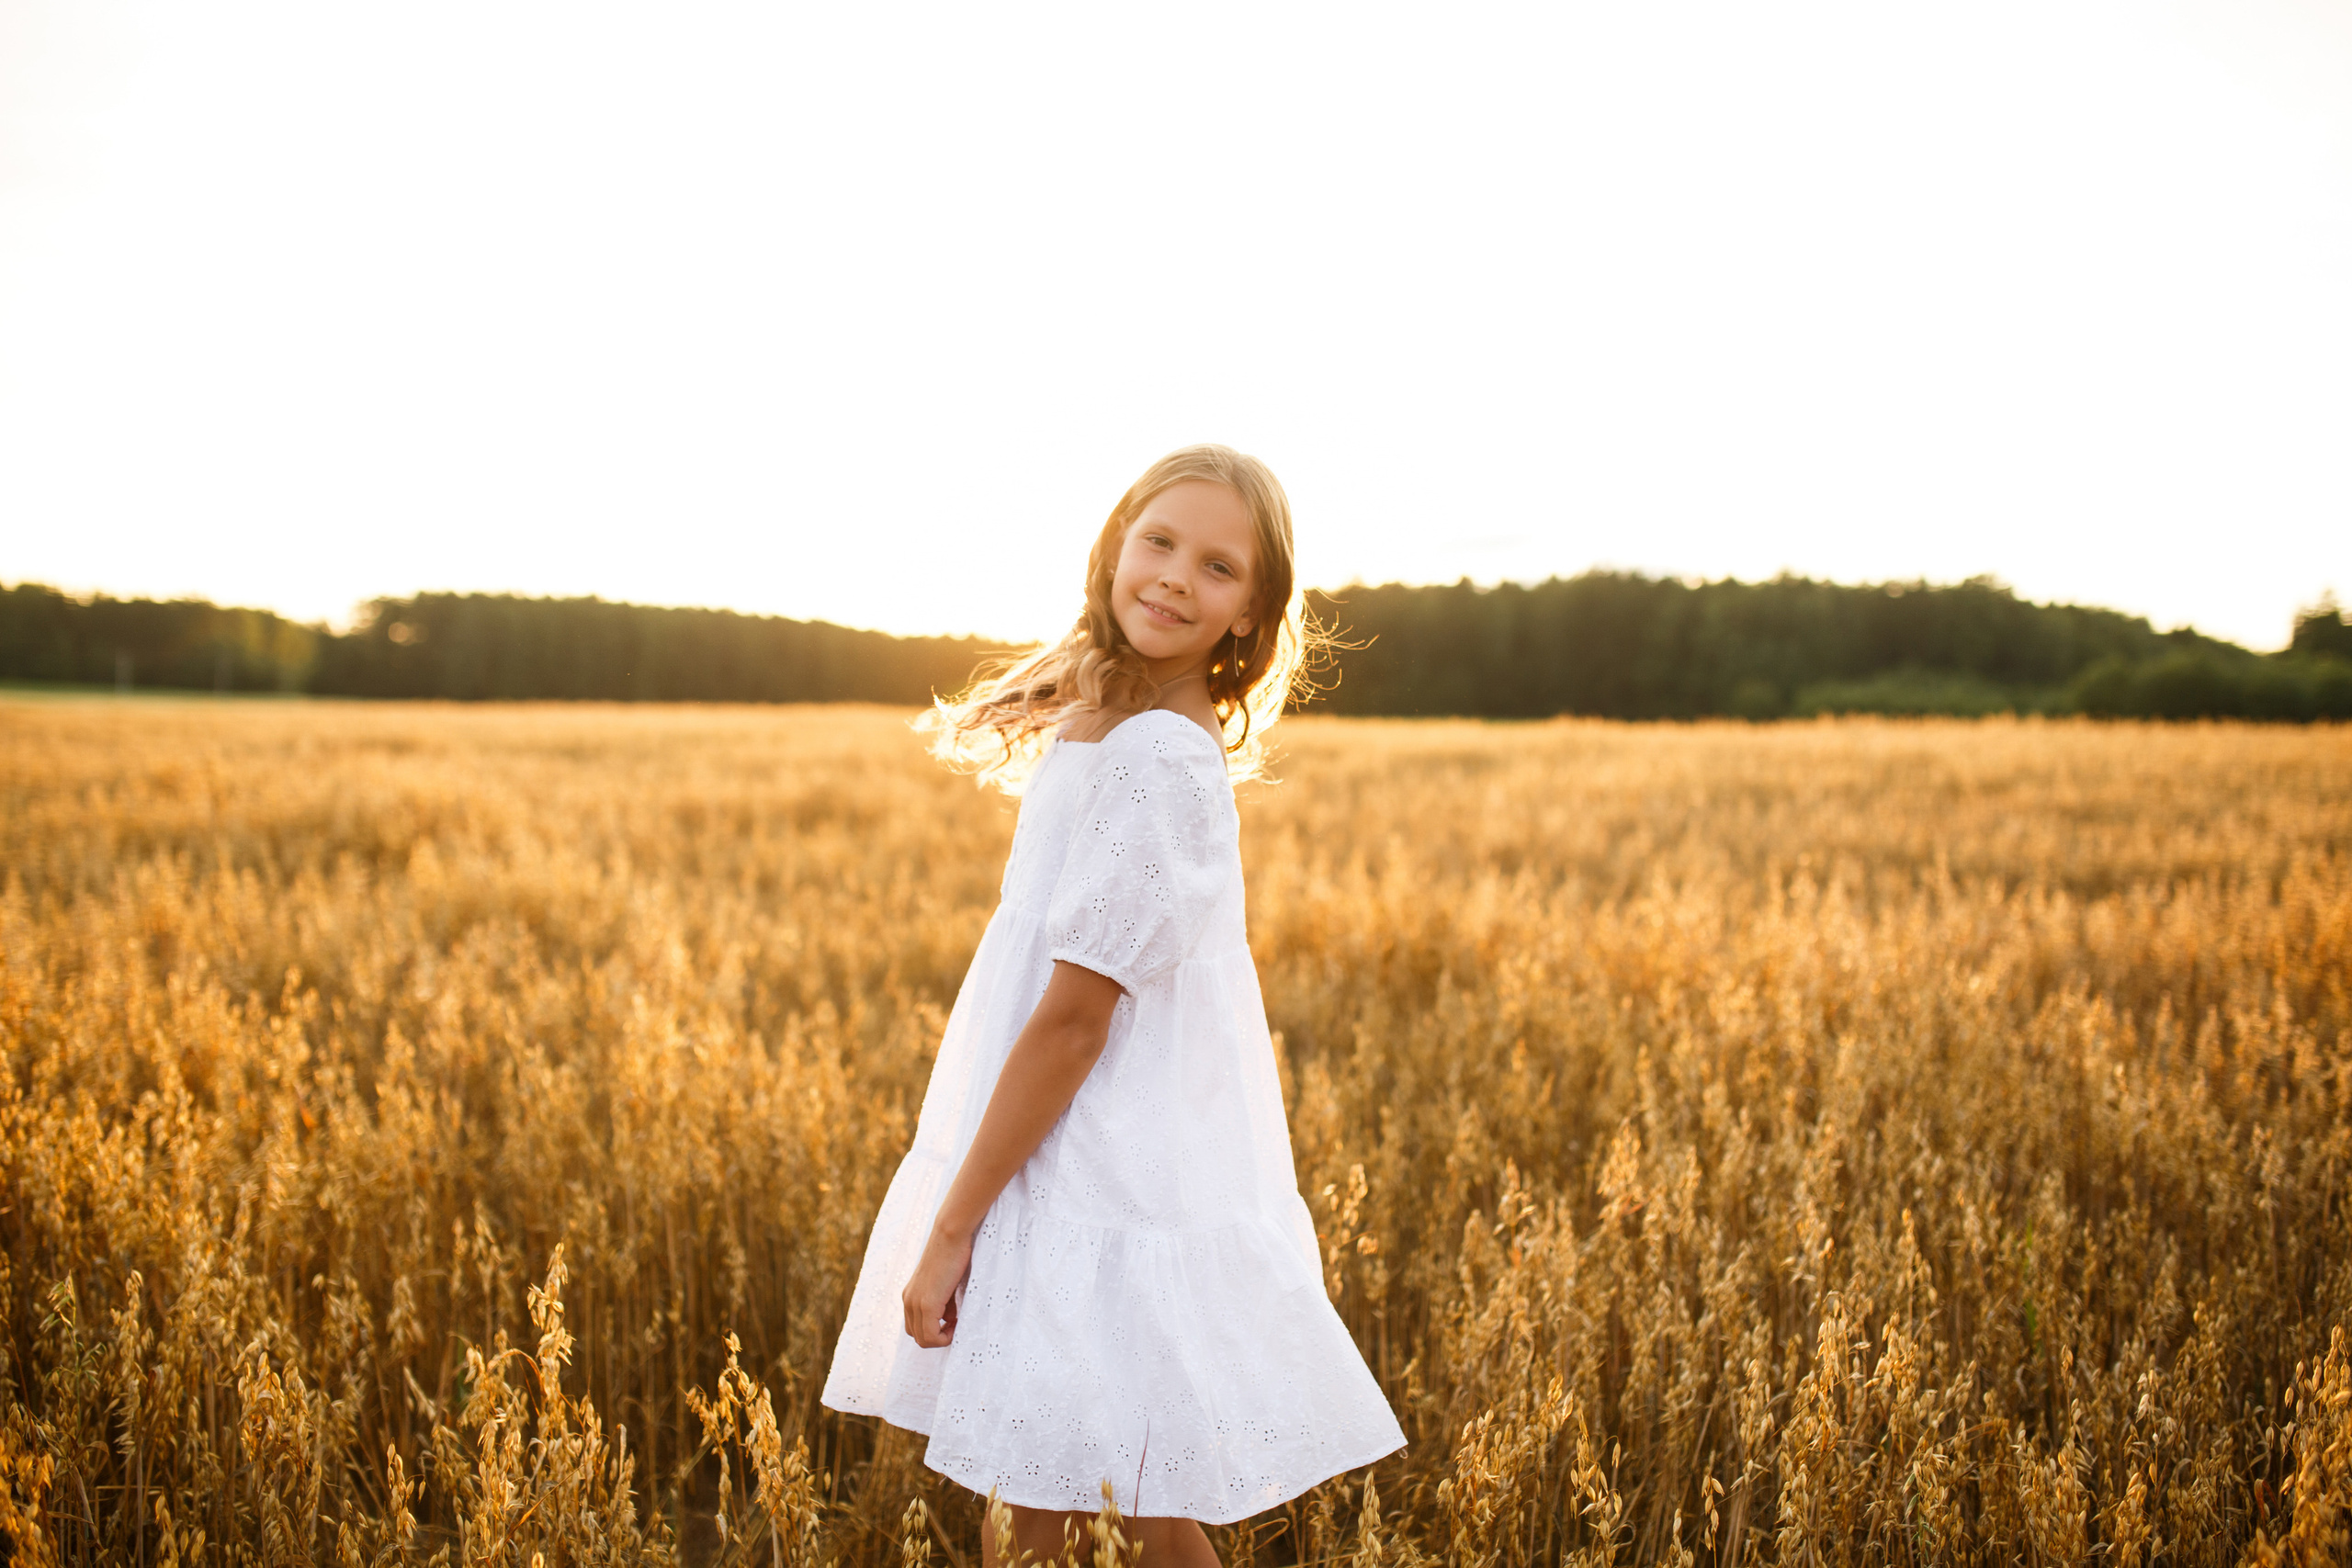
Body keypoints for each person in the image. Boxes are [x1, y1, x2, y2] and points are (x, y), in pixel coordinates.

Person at [820, 445, 1405, 1565]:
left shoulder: (1157, 764)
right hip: (1067, 1158)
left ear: (1250, 614)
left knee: (1051, 1515)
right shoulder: (1112, 718)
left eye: (1218, 567)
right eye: (1159, 542)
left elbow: (1075, 1021)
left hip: (1088, 1170)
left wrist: (953, 1230)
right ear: (1114, 546)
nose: (1178, 577)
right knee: (1106, 1500)